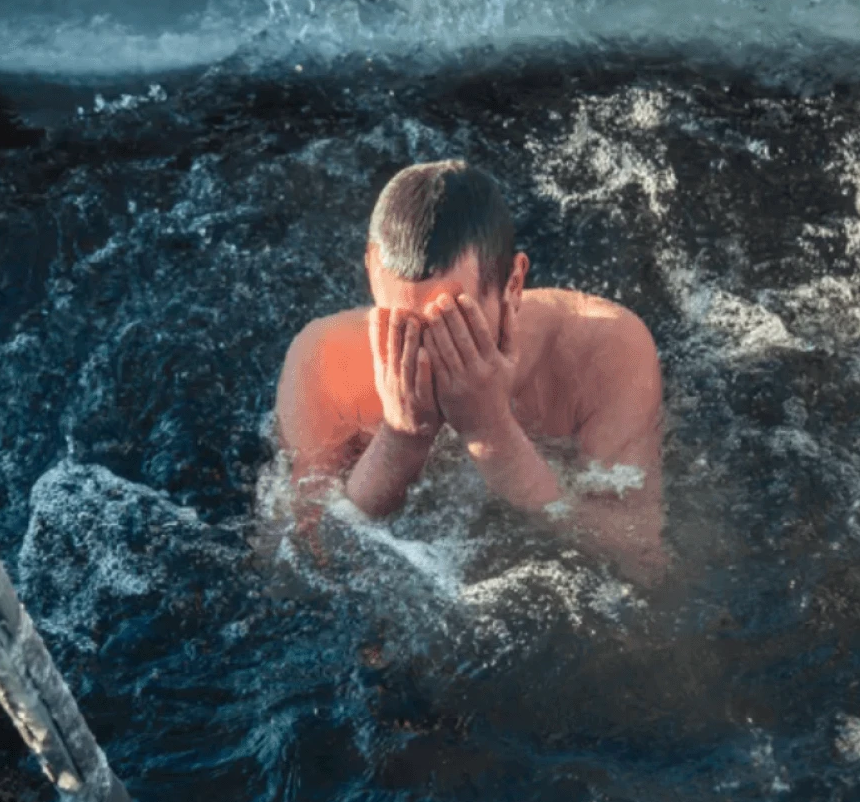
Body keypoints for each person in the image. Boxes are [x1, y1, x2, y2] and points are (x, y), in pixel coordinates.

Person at [274, 160, 665, 579]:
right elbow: (297, 559)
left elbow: (638, 556)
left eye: (454, 323)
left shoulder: (604, 351)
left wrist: (492, 432)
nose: (428, 353)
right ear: (371, 269)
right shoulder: (324, 360)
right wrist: (402, 437)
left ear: (513, 284)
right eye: (404, 327)